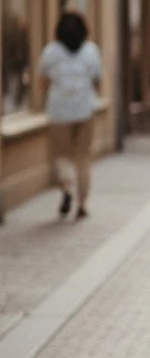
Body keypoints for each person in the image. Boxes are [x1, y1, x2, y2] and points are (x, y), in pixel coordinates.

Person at [38, 11, 102, 219]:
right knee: (82, 157)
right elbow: (97, 80)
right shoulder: (91, 51)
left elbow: (43, 80)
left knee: (62, 155)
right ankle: (83, 203)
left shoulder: (51, 52)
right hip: (85, 109)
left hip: (59, 110)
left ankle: (67, 186)